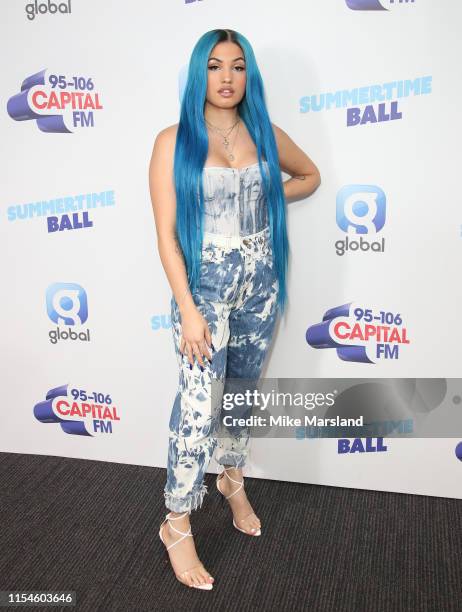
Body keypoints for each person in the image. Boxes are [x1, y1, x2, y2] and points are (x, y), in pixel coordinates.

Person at [149, 28, 321, 590]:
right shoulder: (173, 141)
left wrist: (268, 193)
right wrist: (188, 309)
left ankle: (231, 478)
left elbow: (309, 176)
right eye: (216, 66)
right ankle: (176, 520)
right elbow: (167, 236)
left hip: (261, 288)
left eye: (238, 67)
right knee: (198, 408)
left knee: (242, 394)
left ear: (248, 76)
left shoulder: (266, 135)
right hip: (204, 294)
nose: (227, 78)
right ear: (200, 73)